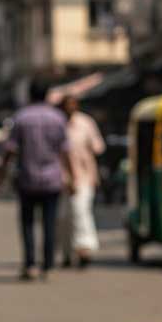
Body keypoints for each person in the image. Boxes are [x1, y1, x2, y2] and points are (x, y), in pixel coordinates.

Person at [0, 80, 72, 280]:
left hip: (27, 179)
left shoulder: (21, 118)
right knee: (49, 222)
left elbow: (9, 150)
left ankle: (30, 264)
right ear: (47, 95)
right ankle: (48, 265)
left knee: (28, 224)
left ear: (29, 95)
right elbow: (65, 151)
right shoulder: (58, 118)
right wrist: (71, 175)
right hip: (52, 179)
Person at [59, 94, 105, 268]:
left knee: (81, 211)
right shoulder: (57, 124)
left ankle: (85, 249)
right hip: (61, 179)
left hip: (84, 177)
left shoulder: (86, 123)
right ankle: (66, 252)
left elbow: (97, 148)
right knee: (63, 217)